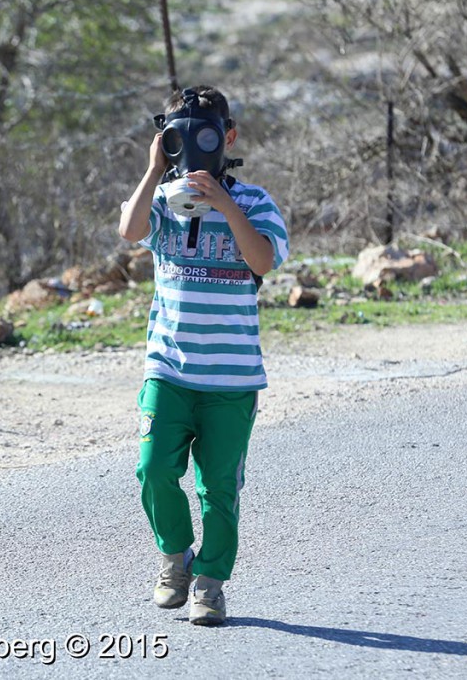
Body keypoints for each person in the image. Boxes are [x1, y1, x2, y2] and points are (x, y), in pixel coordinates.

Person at [118, 85, 289, 626]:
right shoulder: (161, 200)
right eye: (179, 136)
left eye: (207, 134)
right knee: (152, 470)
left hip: (231, 378)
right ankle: (175, 558)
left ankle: (210, 583)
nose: (194, 145)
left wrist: (224, 203)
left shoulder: (255, 201)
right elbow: (129, 230)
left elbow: (262, 260)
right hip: (168, 370)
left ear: (229, 137)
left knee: (219, 488)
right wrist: (154, 168)